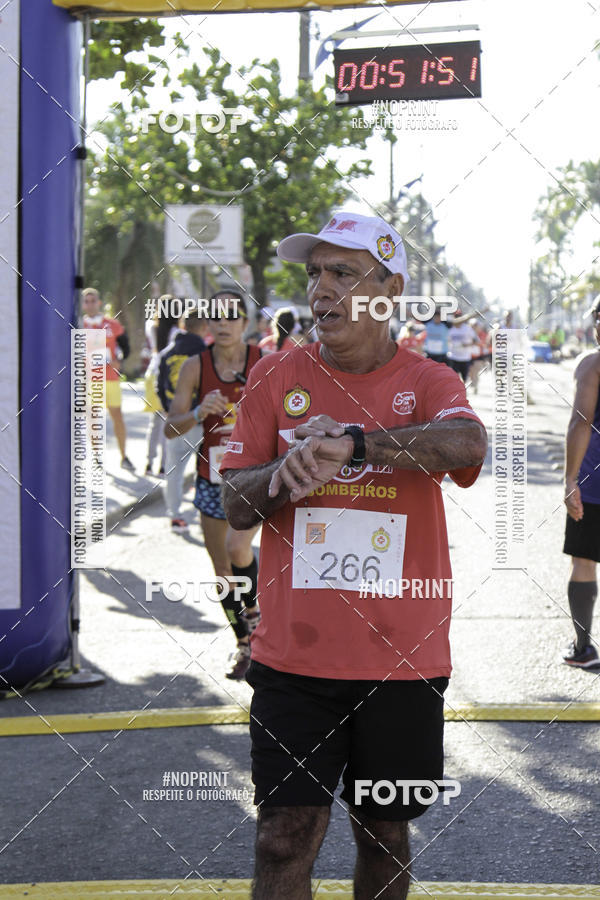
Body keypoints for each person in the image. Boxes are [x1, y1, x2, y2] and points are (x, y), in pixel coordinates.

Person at [220, 211, 487, 899]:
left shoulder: (428, 381)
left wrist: (358, 445)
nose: (322, 290)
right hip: (293, 663)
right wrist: (282, 474)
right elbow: (233, 503)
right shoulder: (276, 375)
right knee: (281, 840)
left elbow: (466, 446)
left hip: (402, 660)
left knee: (385, 835)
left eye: (343, 272)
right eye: (314, 274)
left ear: (388, 289)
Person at [165, 291, 263, 680]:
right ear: (207, 325)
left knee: (237, 547)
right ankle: (245, 644)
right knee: (223, 570)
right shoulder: (195, 366)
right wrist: (196, 411)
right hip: (212, 479)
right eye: (215, 318)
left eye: (231, 317)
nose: (222, 324)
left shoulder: (265, 362)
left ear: (245, 322)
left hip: (257, 476)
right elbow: (171, 427)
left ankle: (262, 626)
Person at [562, 297, 600, 668]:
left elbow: (580, 422)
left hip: (594, 487)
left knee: (585, 561)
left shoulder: (593, 363)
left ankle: (583, 648)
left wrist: (570, 478)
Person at [158, 304, 209, 531]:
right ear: (205, 327)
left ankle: (175, 515)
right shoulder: (207, 353)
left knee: (174, 471)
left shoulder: (167, 353)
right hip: (202, 417)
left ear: (183, 325)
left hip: (175, 418)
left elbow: (159, 387)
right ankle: (206, 512)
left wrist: (170, 410)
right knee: (207, 470)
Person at [81, 287, 134, 470]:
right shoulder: (80, 325)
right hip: (91, 379)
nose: (90, 304)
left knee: (117, 417)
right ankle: (97, 458)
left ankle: (124, 456)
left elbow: (126, 347)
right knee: (93, 419)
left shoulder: (112, 324)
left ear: (99, 302)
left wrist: (120, 360)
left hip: (110, 378)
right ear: (83, 304)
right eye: (86, 301)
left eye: (93, 300)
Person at [447, 312, 478, 384]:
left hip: (465, 357)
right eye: (456, 317)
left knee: (464, 379)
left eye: (459, 316)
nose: (458, 319)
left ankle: (463, 391)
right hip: (453, 356)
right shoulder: (450, 328)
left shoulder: (467, 328)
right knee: (453, 378)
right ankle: (456, 392)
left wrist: (467, 345)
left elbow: (476, 341)